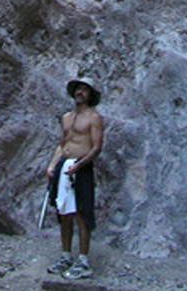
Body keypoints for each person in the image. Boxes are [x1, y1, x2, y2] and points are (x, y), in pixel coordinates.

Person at [45, 76, 104, 280]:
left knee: (82, 213)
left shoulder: (93, 118)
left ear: (90, 95)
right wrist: (52, 166)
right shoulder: (67, 117)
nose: (80, 92)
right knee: (64, 212)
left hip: (81, 167)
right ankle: (65, 255)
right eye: (78, 89)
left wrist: (79, 165)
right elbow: (62, 144)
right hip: (65, 166)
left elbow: (96, 147)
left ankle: (83, 260)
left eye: (84, 90)